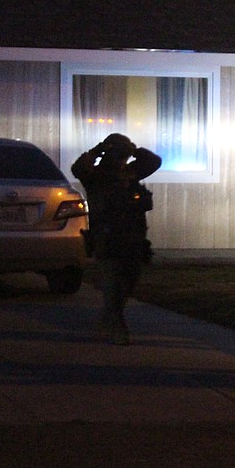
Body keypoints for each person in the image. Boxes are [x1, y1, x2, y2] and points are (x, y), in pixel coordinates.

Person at [72, 133, 162, 345]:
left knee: (129, 282)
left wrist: (135, 149)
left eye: (124, 155)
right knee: (112, 282)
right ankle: (116, 325)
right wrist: (98, 149)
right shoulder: (95, 176)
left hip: (133, 238)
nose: (121, 160)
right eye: (118, 154)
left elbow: (154, 162)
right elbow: (78, 168)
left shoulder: (130, 173)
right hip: (108, 237)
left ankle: (110, 318)